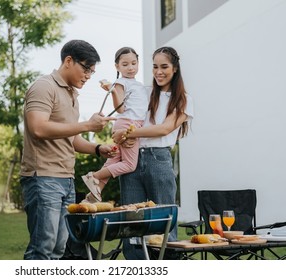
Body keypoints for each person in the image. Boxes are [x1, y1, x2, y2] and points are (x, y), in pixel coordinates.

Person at [20, 39, 116, 260]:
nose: (88, 76)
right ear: (68, 60)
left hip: (66, 179)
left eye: (92, 71)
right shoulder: (44, 86)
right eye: (86, 68)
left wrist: (98, 148)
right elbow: (38, 128)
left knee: (58, 249)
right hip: (43, 177)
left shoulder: (72, 95)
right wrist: (87, 125)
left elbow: (71, 138)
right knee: (42, 248)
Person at [112, 46, 194, 259]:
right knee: (131, 220)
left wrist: (128, 134)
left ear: (175, 68)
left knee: (163, 220)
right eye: (155, 67)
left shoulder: (183, 98)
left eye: (164, 66)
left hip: (159, 159)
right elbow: (122, 111)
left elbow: (164, 129)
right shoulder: (143, 91)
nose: (159, 72)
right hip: (133, 157)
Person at [81, 47, 150, 202]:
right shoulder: (120, 82)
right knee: (130, 165)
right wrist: (112, 91)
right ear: (117, 67)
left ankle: (95, 192)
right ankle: (94, 176)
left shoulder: (137, 84)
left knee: (114, 159)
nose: (131, 67)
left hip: (129, 123)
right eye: (125, 64)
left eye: (134, 63)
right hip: (128, 124)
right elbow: (121, 107)